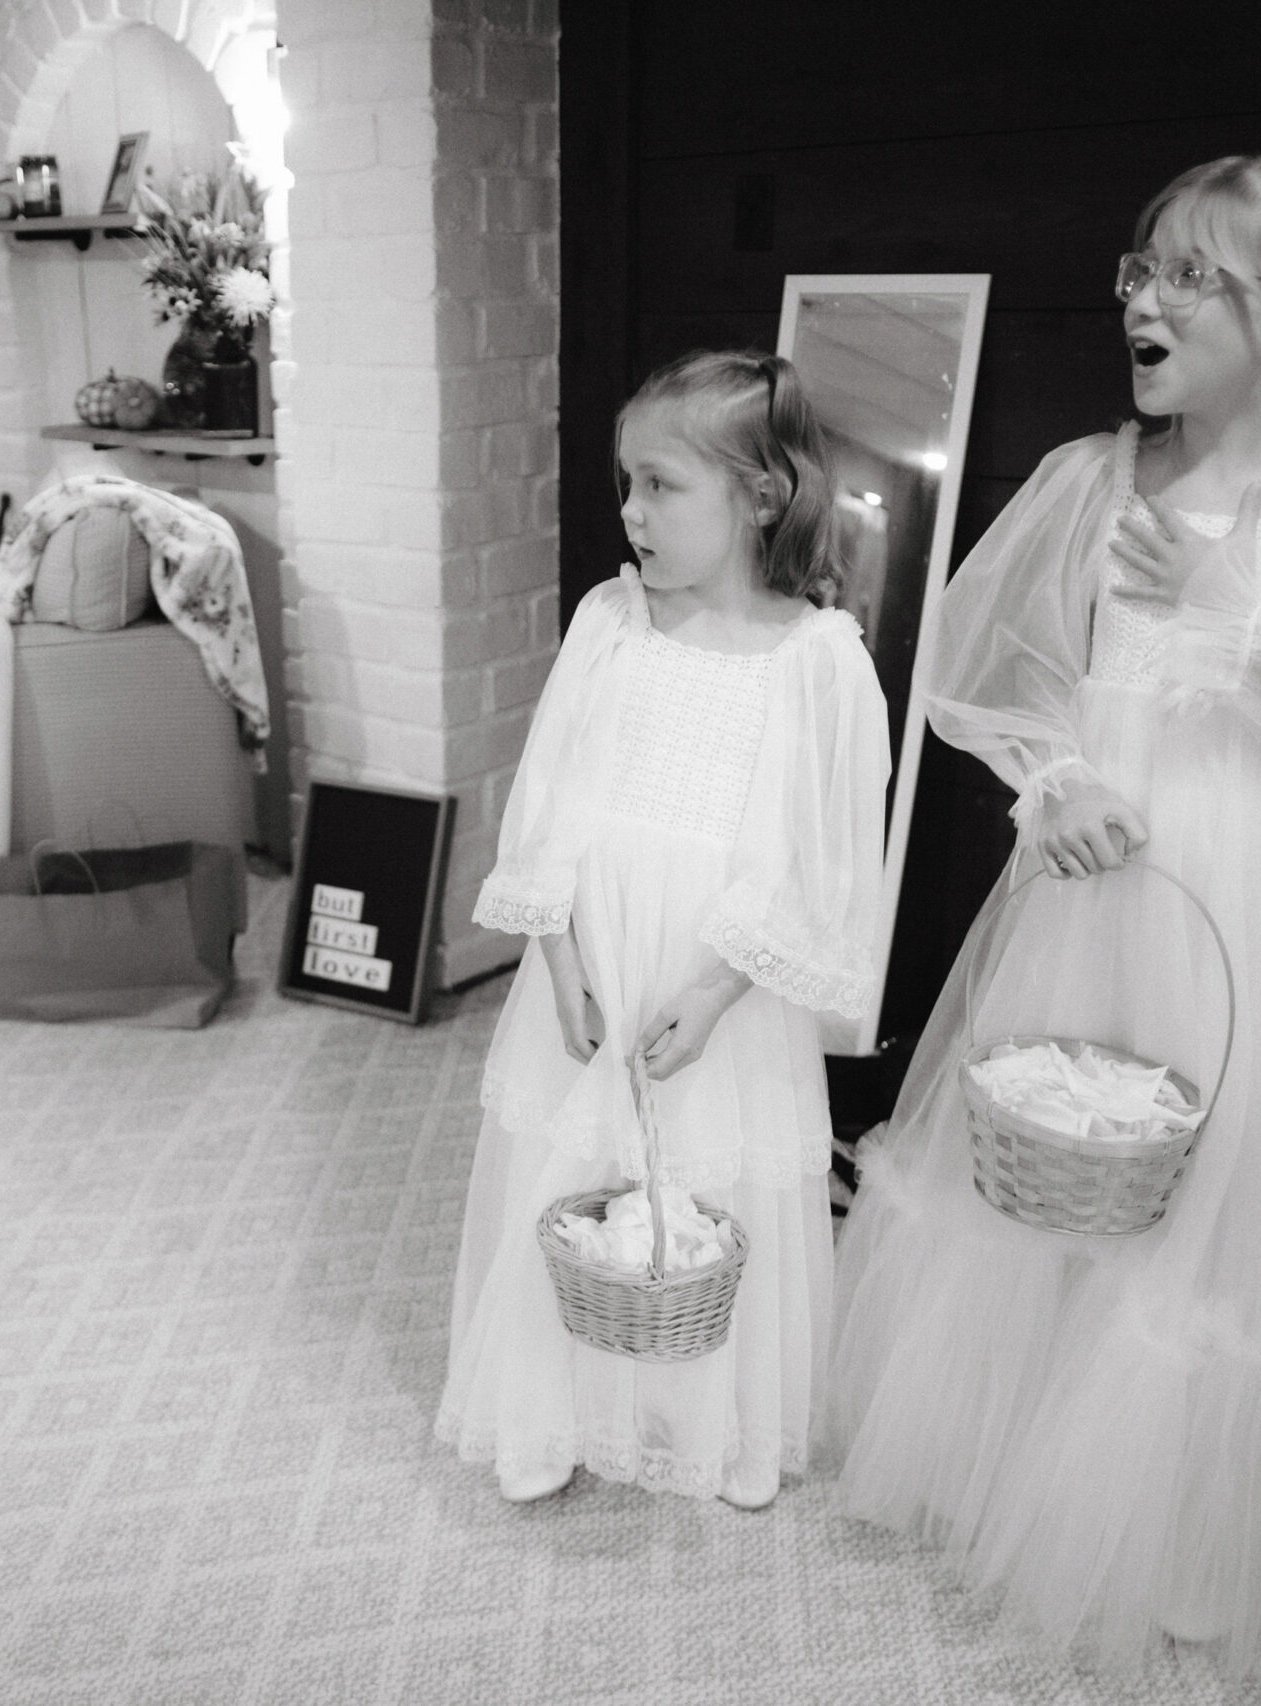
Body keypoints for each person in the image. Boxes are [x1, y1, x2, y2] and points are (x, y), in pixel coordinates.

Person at [821, 151, 1261, 1679]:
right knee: (1071, 1152)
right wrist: (1048, 782)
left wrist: (1231, 611)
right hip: (1097, 889)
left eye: (1191, 273)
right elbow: (1002, 673)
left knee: (1234, 1182)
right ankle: (1027, 1455)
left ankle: (1194, 1518)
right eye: (1141, 266)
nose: (1143, 297)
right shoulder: (1097, 478)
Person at [434, 350, 891, 1509]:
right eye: (623, 482)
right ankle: (547, 1403)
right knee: (572, 1174)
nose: (629, 511)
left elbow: (815, 854)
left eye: (659, 485)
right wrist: (556, 953)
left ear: (760, 494)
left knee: (711, 1187)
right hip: (595, 950)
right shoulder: (612, 621)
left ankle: (720, 1428)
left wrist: (722, 986)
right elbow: (550, 799)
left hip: (712, 973)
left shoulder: (818, 658)